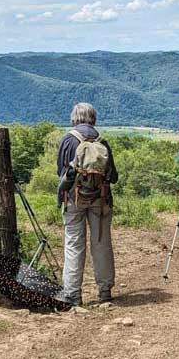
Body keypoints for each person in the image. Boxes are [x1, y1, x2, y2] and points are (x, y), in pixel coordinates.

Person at [56, 102, 119, 306]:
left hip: (74, 199)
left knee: (74, 243)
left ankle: (73, 294)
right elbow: (114, 177)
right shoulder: (102, 141)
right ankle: (105, 290)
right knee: (101, 242)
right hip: (100, 200)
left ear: (74, 119)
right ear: (94, 119)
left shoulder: (68, 140)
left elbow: (61, 172)